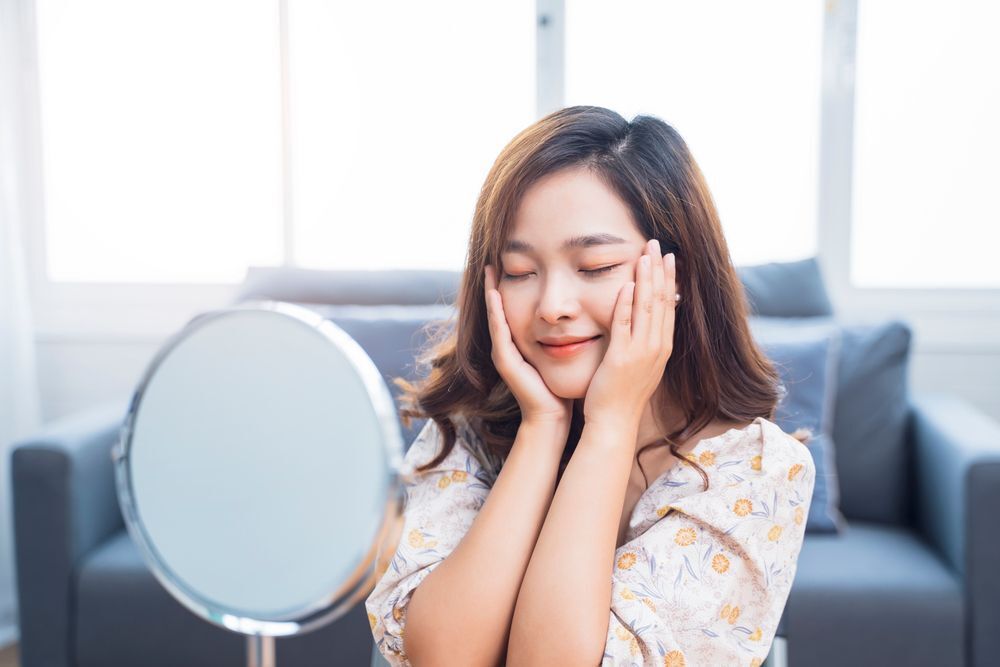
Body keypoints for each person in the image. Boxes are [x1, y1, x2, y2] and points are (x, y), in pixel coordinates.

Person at [365, 106, 816, 666]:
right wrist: (543, 428)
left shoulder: (755, 469)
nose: (552, 306)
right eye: (520, 272)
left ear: (679, 274)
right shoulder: (466, 432)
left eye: (596, 266)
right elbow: (444, 659)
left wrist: (611, 425)